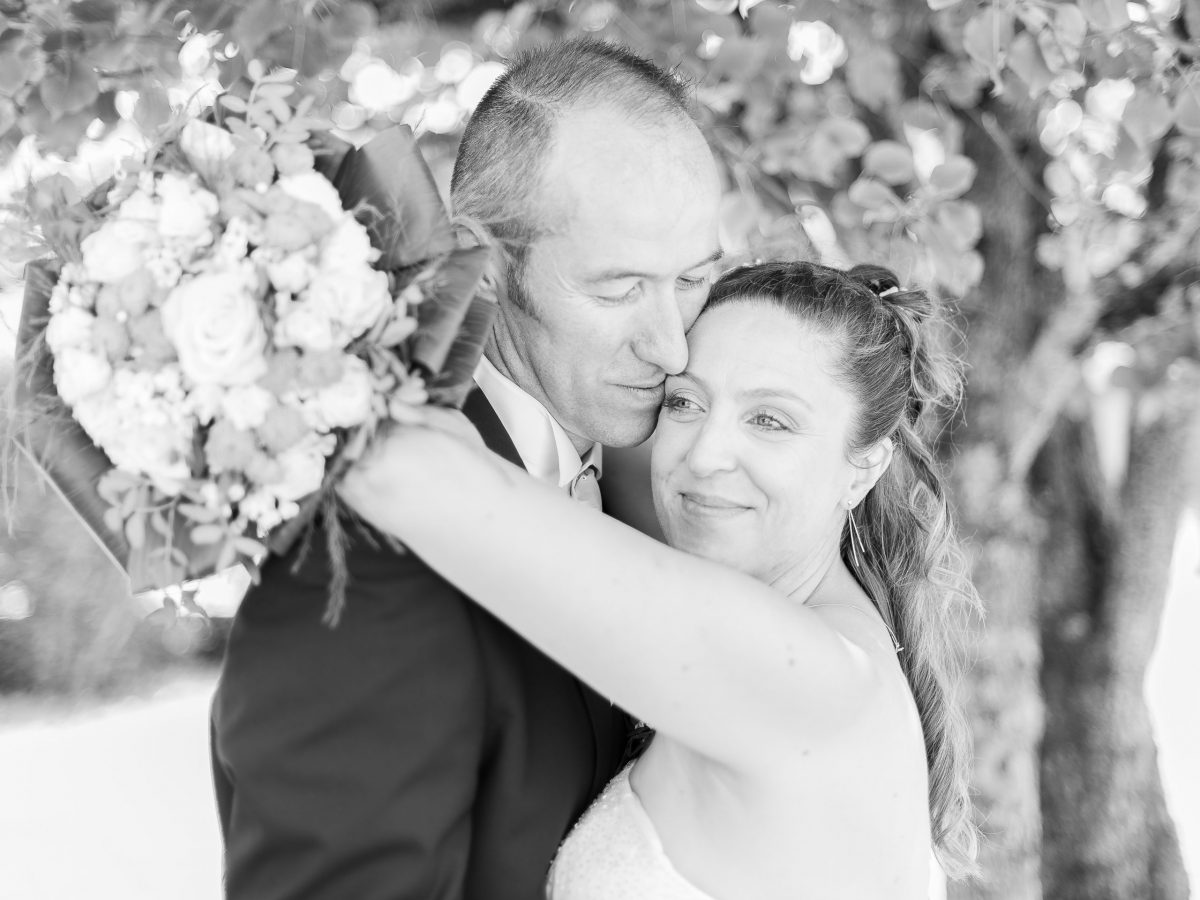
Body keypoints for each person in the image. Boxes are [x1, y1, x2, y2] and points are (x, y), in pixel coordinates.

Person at [210, 39, 723, 900]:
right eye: (619, 289)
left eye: (696, 279)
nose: (671, 346)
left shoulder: (659, 485)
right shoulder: (373, 554)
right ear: (489, 260)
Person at [339, 260, 982, 898]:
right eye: (684, 402)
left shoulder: (793, 674)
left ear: (864, 467)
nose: (703, 455)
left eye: (770, 420)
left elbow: (403, 475)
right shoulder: (832, 647)